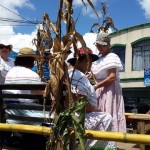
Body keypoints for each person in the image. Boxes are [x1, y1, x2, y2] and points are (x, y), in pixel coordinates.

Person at [67, 47, 116, 150]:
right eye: (87, 61)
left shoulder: (74, 74)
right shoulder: (77, 75)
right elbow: (79, 101)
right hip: (78, 117)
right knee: (107, 118)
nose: (90, 64)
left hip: (78, 115)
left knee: (103, 116)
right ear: (79, 62)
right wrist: (95, 109)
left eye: (91, 62)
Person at [3, 47, 49, 150]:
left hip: (10, 114)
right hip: (26, 116)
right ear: (31, 61)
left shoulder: (10, 72)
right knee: (52, 117)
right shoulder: (33, 75)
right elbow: (41, 94)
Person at [91, 31, 126, 132]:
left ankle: (110, 140)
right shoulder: (98, 59)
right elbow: (99, 75)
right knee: (100, 113)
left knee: (109, 112)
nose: (100, 47)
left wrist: (97, 86)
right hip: (100, 89)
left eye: (102, 45)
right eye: (98, 45)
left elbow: (112, 77)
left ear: (108, 46)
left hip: (110, 89)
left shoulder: (112, 57)